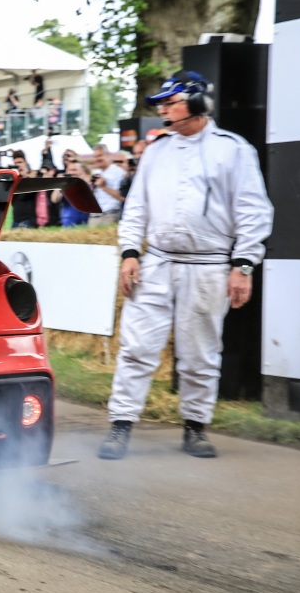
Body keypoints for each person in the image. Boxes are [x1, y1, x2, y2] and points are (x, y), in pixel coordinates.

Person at [98, 70, 274, 460]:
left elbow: (254, 212)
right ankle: (120, 425)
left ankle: (195, 427)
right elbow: (136, 207)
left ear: (196, 103)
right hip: (157, 262)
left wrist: (243, 265)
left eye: (170, 102)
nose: (163, 109)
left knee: (200, 354)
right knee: (137, 347)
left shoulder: (234, 150)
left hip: (209, 266)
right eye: (161, 103)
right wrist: (130, 253)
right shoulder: (156, 150)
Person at [89, 144, 127, 226]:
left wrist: (104, 186)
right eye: (95, 156)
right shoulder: (97, 173)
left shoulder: (118, 172)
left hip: (110, 215)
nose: (97, 159)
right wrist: (93, 187)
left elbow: (122, 196)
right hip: (95, 215)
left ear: (108, 156)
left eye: (100, 155)